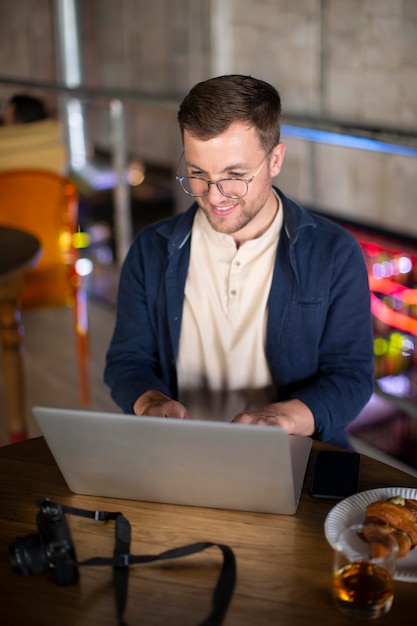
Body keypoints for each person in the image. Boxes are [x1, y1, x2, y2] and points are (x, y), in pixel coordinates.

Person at [104, 74, 374, 447]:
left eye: (235, 176)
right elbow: (126, 360)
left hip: (292, 454)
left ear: (275, 159)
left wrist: (282, 418)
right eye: (198, 174)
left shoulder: (334, 253)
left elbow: (351, 377)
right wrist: (150, 401)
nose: (215, 196)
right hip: (177, 452)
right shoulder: (151, 249)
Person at [0, 93, 67, 174]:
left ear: (21, 120)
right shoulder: (58, 152)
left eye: (8, 118)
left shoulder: (6, 143)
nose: (4, 124)